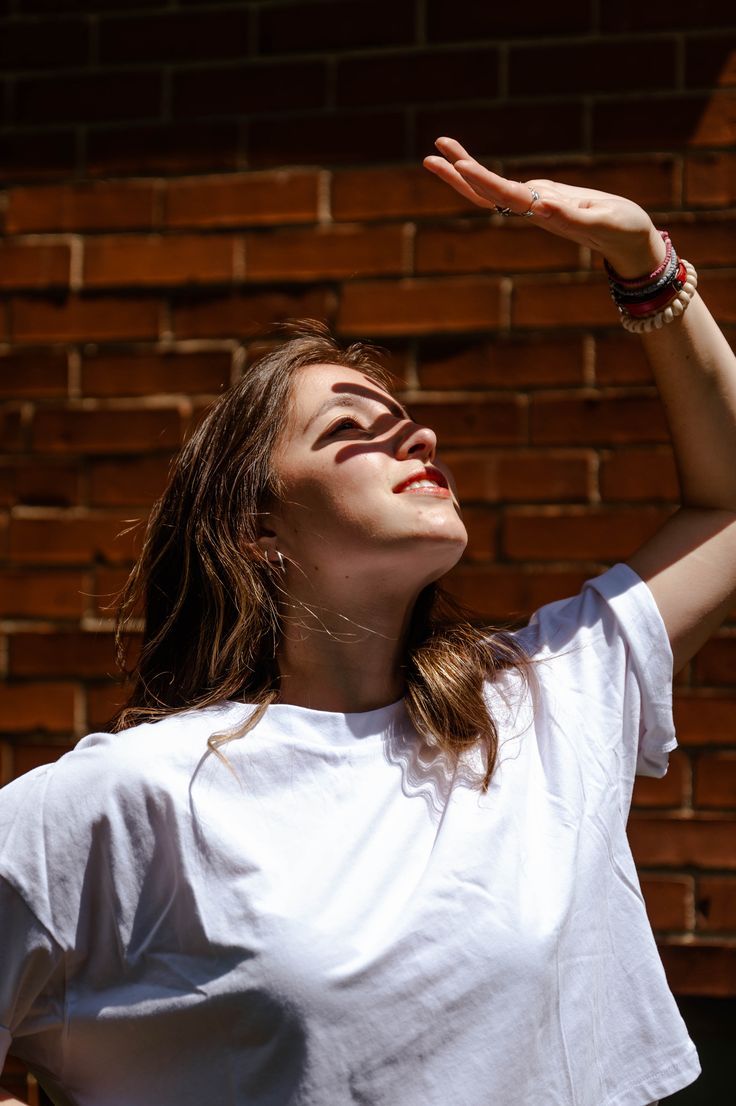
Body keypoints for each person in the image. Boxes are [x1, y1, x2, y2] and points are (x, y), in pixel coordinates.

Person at [1, 135, 735, 1106]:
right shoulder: (131, 798)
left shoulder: (544, 702)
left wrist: (646, 263)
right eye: (351, 430)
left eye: (406, 417)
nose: (417, 434)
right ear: (258, 529)